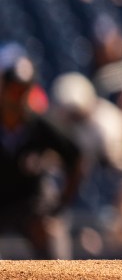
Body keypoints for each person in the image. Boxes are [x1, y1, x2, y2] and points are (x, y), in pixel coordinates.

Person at [0, 44, 84, 259]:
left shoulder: (41, 127)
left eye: (24, 88)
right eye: (14, 88)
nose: (18, 95)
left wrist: (59, 206)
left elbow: (76, 159)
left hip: (33, 205)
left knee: (50, 230)